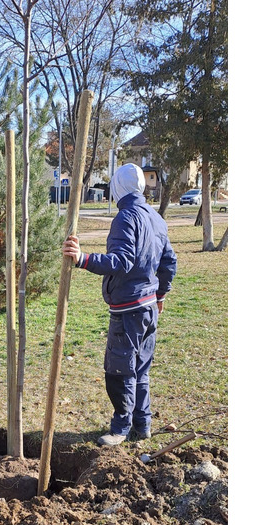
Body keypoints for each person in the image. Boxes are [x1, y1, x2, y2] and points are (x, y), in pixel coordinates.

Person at [62, 163, 177, 446]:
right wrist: (160, 295)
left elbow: (122, 262)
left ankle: (121, 428)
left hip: (129, 308)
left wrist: (82, 258)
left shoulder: (126, 217)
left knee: (121, 369)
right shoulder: (155, 218)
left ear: (117, 187)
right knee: (140, 369)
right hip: (148, 307)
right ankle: (143, 424)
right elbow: (169, 263)